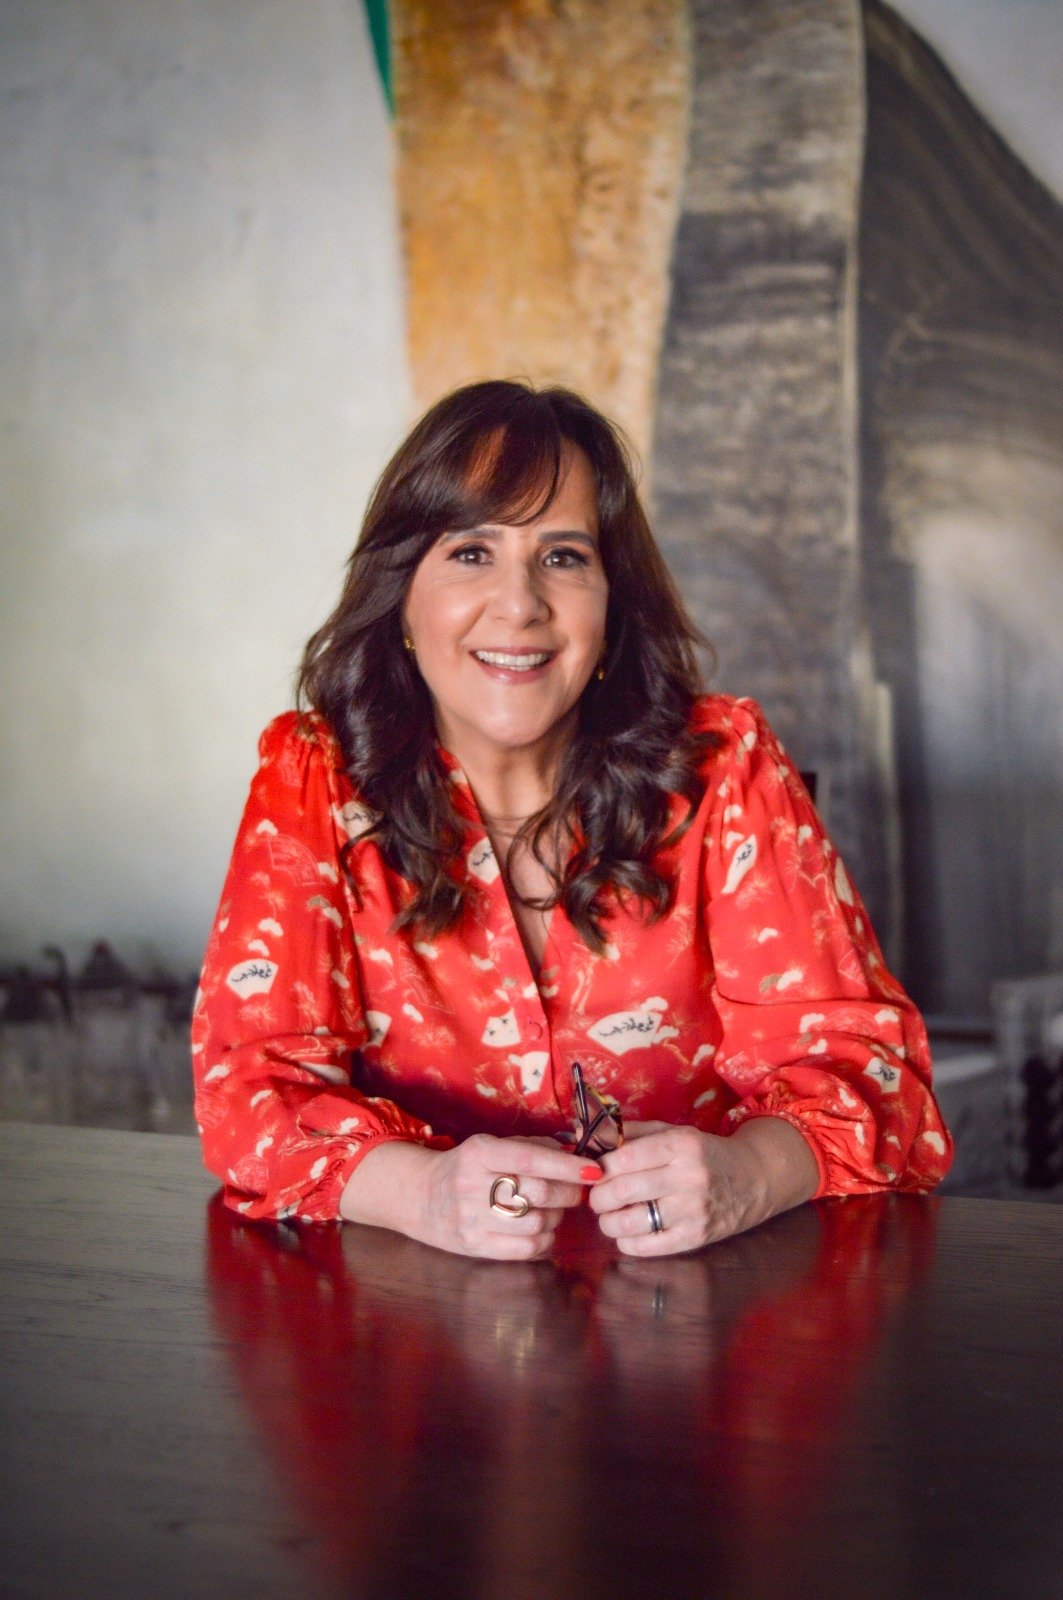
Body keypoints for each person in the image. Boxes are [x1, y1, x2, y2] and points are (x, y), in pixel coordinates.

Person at [193, 379, 952, 1258]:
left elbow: (872, 1077)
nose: (519, 604)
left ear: (609, 602)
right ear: (401, 599)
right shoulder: (314, 779)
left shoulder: (723, 767)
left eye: (561, 556)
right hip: (411, 1312)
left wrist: (748, 1175)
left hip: (714, 1302)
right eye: (470, 552)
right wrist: (422, 1194)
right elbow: (248, 1092)